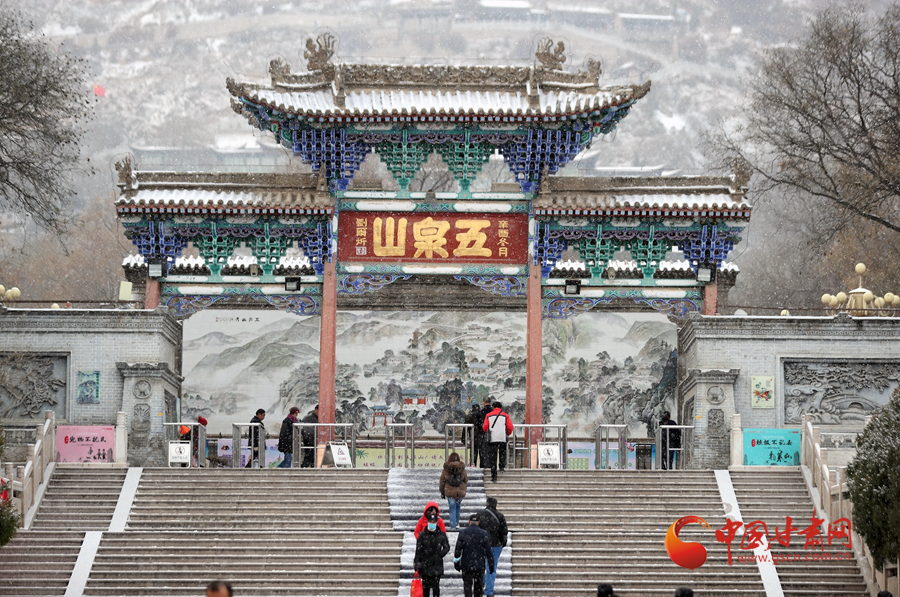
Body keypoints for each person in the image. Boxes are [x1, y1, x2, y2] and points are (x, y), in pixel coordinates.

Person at [454, 513, 494, 597]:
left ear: (469, 522)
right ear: (478, 522)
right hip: (479, 564)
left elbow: (458, 549)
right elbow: (488, 550)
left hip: (466, 564)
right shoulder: (483, 533)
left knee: (467, 586)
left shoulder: (463, 532)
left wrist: (456, 562)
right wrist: (491, 563)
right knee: (478, 587)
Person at [414, 509, 450, 597]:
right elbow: (418, 550)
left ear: (437, 522)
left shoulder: (441, 534)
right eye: (430, 521)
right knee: (425, 589)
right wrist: (416, 564)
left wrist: (440, 555)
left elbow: (447, 547)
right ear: (428, 522)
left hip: (436, 566)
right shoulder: (422, 535)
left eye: (434, 522)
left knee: (436, 589)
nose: (432, 523)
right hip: (425, 565)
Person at [478, 497, 508, 597]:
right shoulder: (500, 516)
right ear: (496, 505)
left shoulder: (479, 514)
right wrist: (502, 543)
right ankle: (489, 592)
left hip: (482, 544)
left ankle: (481, 582)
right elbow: (504, 532)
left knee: (481, 565)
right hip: (495, 545)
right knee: (492, 568)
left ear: (486, 504)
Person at [482, 401, 513, 482]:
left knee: (493, 457)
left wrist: (489, 432)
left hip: (493, 438)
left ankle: (494, 475)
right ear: (501, 408)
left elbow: (485, 427)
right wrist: (507, 433)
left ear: (493, 407)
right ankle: (501, 467)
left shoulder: (488, 415)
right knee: (502, 453)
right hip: (502, 438)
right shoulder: (505, 415)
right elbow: (510, 427)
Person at [439, 451, 468, 530]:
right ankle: (457, 523)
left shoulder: (446, 468)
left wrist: (442, 492)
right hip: (460, 492)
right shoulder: (462, 468)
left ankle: (453, 526)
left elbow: (442, 481)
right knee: (458, 507)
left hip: (450, 491)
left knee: (452, 509)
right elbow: (466, 479)